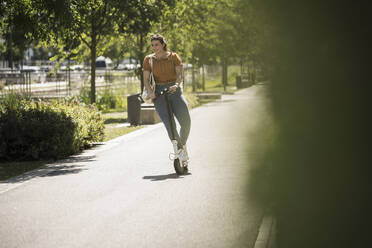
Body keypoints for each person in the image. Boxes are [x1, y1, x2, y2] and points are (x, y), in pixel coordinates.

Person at [142, 34, 191, 166]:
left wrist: (176, 85)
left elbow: (180, 75)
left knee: (186, 122)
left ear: (163, 44)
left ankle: (181, 146)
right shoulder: (148, 59)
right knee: (170, 125)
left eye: (156, 44)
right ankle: (180, 151)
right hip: (159, 95)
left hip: (174, 91)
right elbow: (146, 79)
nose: (154, 47)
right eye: (152, 45)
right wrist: (151, 92)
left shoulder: (173, 57)